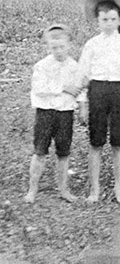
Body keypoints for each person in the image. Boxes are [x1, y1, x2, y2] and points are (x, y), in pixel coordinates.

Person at [77, 0, 120, 204]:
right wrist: (83, 104)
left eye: (113, 19)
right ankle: (94, 190)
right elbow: (84, 75)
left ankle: (118, 188)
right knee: (96, 142)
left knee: (119, 142)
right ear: (97, 21)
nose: (109, 23)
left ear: (119, 19)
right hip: (98, 91)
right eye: (104, 19)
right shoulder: (91, 45)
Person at [24, 25, 81, 204]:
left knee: (63, 152)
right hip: (45, 113)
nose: (58, 51)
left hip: (65, 113)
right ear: (48, 47)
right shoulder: (42, 66)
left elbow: (79, 89)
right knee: (40, 151)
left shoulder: (74, 66)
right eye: (54, 47)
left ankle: (63, 189)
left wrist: (81, 104)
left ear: (69, 45)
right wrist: (63, 88)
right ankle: (32, 189)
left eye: (62, 47)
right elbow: (39, 89)